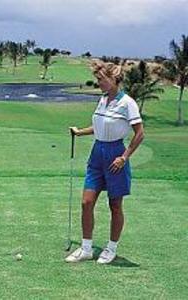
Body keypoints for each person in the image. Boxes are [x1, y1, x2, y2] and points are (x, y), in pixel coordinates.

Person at [65, 61, 144, 264]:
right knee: (86, 202)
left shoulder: (127, 103)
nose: (98, 82)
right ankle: (86, 249)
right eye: (98, 79)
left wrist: (124, 157)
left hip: (116, 153)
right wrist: (80, 132)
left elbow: (139, 133)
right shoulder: (102, 100)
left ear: (114, 79)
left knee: (115, 205)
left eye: (101, 79)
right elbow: (98, 126)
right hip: (97, 154)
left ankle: (111, 248)